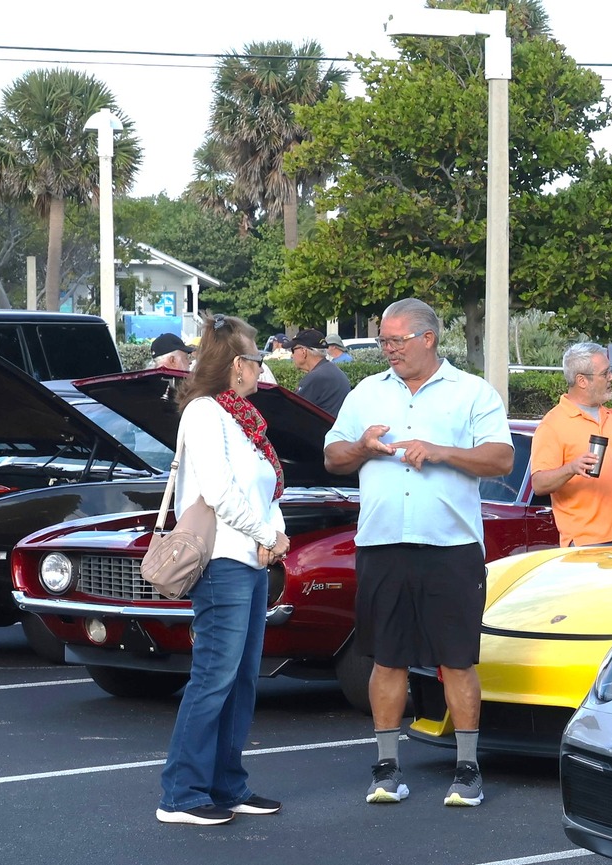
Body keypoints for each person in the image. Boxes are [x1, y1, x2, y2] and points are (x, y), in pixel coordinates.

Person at [322, 297, 514, 810]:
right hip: (383, 543)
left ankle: (467, 771)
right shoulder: (366, 392)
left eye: (396, 340)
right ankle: (386, 770)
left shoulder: (471, 393)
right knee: (387, 659)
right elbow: (332, 455)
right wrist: (362, 446)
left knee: (456, 660)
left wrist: (442, 451)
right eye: (384, 341)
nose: (388, 350)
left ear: (428, 338)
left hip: (450, 547)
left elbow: (501, 457)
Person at [155, 315, 290, 827]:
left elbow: (264, 489)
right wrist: (265, 536)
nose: (262, 369)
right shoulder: (206, 414)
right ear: (237, 366)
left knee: (240, 680)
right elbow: (219, 491)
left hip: (251, 558)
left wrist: (271, 538)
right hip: (222, 562)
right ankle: (181, 793)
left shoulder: (242, 416)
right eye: (256, 359)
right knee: (214, 677)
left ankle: (227, 786)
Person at [530, 341, 612, 546]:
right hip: (587, 543)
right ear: (582, 381)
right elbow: (539, 484)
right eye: (606, 373)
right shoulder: (553, 424)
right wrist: (572, 468)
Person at [288, 327, 350, 415]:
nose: (291, 355)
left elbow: (292, 411)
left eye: (293, 350)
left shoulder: (317, 377)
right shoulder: (330, 370)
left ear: (303, 351)